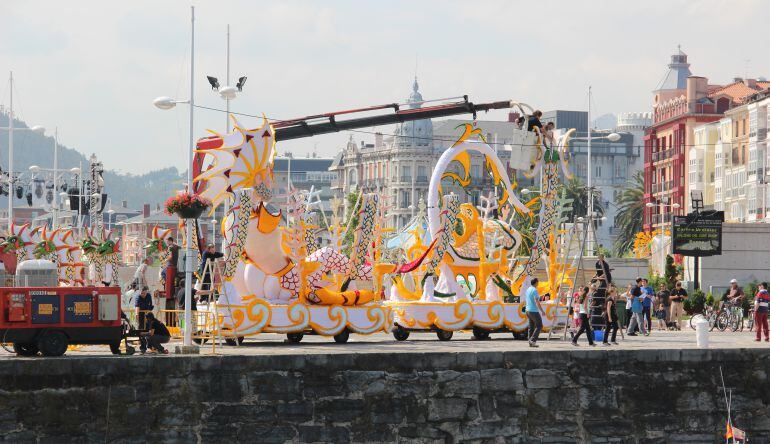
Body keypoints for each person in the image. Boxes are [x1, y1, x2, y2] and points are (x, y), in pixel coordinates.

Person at [525, 278, 545, 347]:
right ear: (536, 282)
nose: (538, 283)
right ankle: (533, 340)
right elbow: (537, 302)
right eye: (538, 282)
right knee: (539, 325)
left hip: (528, 310)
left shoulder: (528, 289)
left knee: (531, 327)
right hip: (534, 311)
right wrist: (542, 311)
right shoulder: (534, 290)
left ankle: (530, 342)